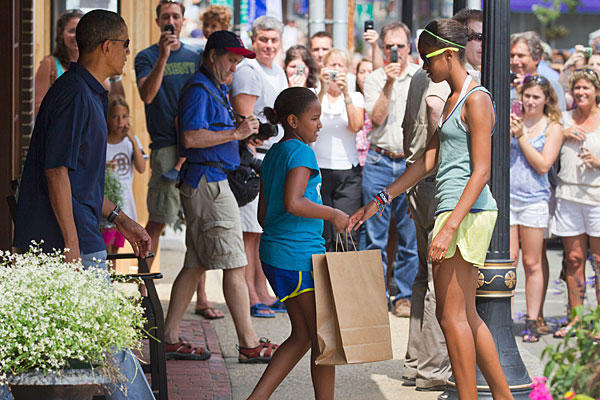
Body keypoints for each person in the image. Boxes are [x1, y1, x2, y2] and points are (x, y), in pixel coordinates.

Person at [349, 18, 513, 400]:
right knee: (466, 316)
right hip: (455, 211)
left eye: (428, 58)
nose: (423, 66)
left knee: (449, 316)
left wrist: (449, 227)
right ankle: (503, 397)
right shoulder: (453, 98)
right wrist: (380, 200)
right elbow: (427, 162)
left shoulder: (476, 97)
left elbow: (483, 170)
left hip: (465, 213)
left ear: (450, 54)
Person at [12, 10, 154, 400]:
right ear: (107, 46)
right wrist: (72, 249)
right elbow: (56, 172)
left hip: (80, 234)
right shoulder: (74, 93)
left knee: (100, 347)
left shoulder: (91, 91)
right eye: (125, 44)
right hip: (66, 241)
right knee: (104, 346)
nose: (128, 52)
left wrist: (121, 219)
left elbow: (80, 182)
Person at [164, 30, 278, 363]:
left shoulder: (214, 87)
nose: (235, 66)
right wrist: (236, 133)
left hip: (208, 181)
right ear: (211, 55)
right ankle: (248, 343)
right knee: (235, 263)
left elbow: (207, 134)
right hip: (209, 183)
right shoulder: (200, 89)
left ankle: (169, 337)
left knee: (195, 265)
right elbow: (191, 136)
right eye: (231, 59)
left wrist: (240, 139)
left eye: (238, 60)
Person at [248, 87, 349, 399]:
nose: (320, 124)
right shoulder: (302, 152)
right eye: (314, 118)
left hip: (275, 254)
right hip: (300, 257)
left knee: (305, 335)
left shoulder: (274, 154)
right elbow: (294, 202)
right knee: (323, 338)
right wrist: (332, 213)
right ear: (293, 121)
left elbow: (264, 215)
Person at [134, 0, 201, 267]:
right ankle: (143, 290)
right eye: (165, 17)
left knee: (196, 224)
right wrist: (163, 56)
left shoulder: (196, 57)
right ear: (157, 21)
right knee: (158, 220)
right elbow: (147, 95)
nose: (170, 21)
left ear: (183, 21)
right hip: (164, 148)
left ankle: (202, 295)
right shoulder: (146, 57)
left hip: (195, 148)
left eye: (175, 16)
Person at [230, 16, 289, 317]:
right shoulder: (248, 70)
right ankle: (250, 294)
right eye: (263, 39)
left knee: (260, 231)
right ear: (253, 41)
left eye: (273, 40)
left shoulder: (277, 70)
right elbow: (247, 121)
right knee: (248, 233)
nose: (268, 45)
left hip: (271, 155)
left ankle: (262, 289)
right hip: (252, 158)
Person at [362, 21, 419, 318]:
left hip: (409, 163)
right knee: (374, 236)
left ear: (409, 47)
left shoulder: (422, 77)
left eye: (400, 45)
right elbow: (377, 119)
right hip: (379, 162)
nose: (395, 51)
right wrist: (389, 83)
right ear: (382, 49)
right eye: (389, 46)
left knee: (410, 237)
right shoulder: (373, 78)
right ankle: (375, 297)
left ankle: (404, 296)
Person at [400, 65, 451, 390]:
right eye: (475, 36)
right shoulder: (442, 76)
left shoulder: (420, 74)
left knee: (423, 275)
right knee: (439, 279)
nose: (480, 43)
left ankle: (415, 364)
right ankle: (432, 370)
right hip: (436, 183)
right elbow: (434, 105)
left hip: (419, 182)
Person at [509, 76, 563, 343]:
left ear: (546, 100)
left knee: (532, 262)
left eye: (536, 97)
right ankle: (503, 318)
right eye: (526, 96)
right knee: (508, 260)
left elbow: (543, 165)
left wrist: (521, 138)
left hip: (534, 199)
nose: (530, 102)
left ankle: (532, 318)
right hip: (508, 198)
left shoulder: (552, 127)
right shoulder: (512, 120)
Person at [551, 68, 600, 338]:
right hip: (568, 195)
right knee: (573, 259)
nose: (581, 93)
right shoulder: (563, 120)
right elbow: (545, 148)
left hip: (597, 197)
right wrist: (562, 135)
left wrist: (597, 162)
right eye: (577, 88)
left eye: (586, 88)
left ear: (597, 91)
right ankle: (577, 319)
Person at [313, 49, 364, 249]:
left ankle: (343, 278)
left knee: (345, 233)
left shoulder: (355, 96)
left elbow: (356, 125)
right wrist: (323, 89)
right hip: (319, 169)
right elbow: (311, 118)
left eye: (340, 66)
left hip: (348, 171)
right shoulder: (314, 93)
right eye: (331, 65)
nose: (335, 70)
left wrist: (345, 94)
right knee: (322, 233)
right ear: (323, 68)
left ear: (348, 70)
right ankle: (319, 278)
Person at [34, 9, 123, 115]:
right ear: (61, 34)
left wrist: (115, 74)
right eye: (72, 31)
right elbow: (37, 107)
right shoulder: (50, 64)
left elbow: (118, 102)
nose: (76, 36)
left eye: (80, 31)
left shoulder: (98, 63)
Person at [103, 95, 148, 255]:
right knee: (105, 249)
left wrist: (133, 141)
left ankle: (113, 279)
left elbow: (142, 167)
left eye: (123, 117)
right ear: (108, 118)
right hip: (106, 204)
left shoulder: (130, 142)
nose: (120, 122)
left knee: (116, 249)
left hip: (125, 204)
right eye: (115, 117)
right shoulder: (102, 142)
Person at [510, 31, 566, 111]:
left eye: (520, 56)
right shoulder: (502, 86)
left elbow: (559, 117)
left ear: (536, 59)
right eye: (512, 56)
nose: (514, 61)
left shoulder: (551, 86)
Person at [452, 9, 483, 81]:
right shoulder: (445, 75)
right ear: (459, 38)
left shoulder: (474, 73)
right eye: (479, 37)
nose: (484, 44)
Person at [355, 58, 373, 166]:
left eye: (370, 72)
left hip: (375, 158)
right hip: (355, 159)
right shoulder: (351, 99)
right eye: (362, 72)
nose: (366, 76)